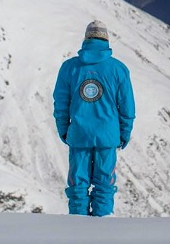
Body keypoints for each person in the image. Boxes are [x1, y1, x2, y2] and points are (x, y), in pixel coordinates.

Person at [53, 20, 136, 217]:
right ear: (106, 40)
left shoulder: (69, 67)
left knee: (78, 184)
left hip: (79, 134)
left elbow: (61, 104)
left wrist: (64, 130)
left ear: (86, 39)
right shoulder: (118, 69)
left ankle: (78, 224)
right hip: (108, 135)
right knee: (104, 183)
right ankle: (103, 225)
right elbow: (127, 107)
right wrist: (124, 133)